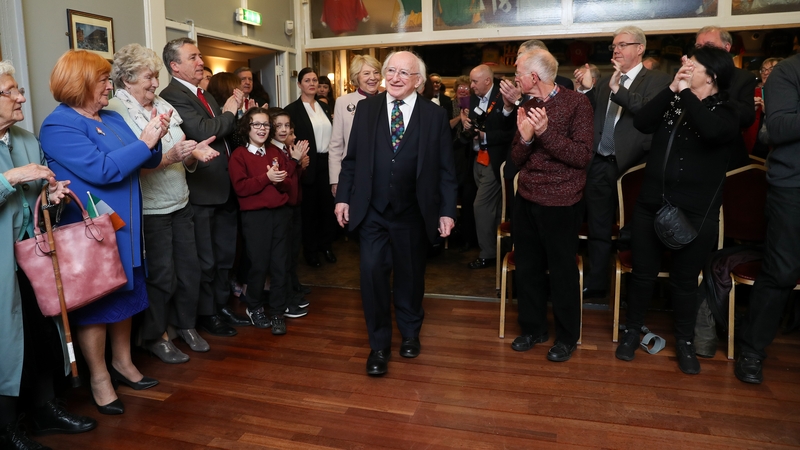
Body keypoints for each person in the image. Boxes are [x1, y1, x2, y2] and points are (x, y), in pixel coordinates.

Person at [39, 50, 168, 414]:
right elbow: (104, 171)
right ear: (80, 83)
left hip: (126, 229)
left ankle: (123, 363)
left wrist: (155, 134)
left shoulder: (111, 116)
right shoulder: (58, 125)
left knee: (126, 297)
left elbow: (151, 159)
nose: (110, 86)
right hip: (91, 234)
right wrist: (143, 143)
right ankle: (99, 377)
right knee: (98, 306)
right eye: (103, 80)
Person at [616, 46, 739, 375]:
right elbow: (642, 122)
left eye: (692, 64)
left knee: (685, 281)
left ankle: (684, 343)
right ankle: (631, 332)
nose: (685, 67)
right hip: (651, 204)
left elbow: (711, 131)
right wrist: (672, 89)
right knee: (642, 274)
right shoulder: (674, 97)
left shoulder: (728, 110)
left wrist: (685, 93)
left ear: (711, 76)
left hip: (696, 213)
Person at [334, 51, 458, 376]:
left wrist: (446, 211)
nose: (396, 77)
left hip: (413, 212)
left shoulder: (434, 116)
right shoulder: (367, 108)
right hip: (372, 212)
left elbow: (446, 170)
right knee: (372, 274)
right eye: (392, 70)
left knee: (410, 276)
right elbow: (352, 160)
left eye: (405, 73)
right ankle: (378, 346)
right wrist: (343, 199)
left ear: (418, 80)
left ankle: (411, 333)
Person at [0, 59, 97, 449]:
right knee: (6, 343)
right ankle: (7, 428)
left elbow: (36, 201)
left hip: (31, 257)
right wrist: (12, 177)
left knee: (41, 332)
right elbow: (16, 183)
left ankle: (45, 409)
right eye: (10, 92)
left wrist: (50, 198)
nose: (21, 96)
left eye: (17, 89)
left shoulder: (23, 139)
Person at [106, 43, 219, 363]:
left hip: (180, 200)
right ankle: (156, 335)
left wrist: (195, 152)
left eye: (156, 76)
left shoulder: (162, 102)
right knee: (162, 275)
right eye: (148, 77)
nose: (155, 83)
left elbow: (180, 143)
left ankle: (185, 324)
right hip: (151, 208)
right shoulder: (117, 111)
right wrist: (169, 157)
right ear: (127, 79)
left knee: (190, 269)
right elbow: (131, 162)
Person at [159, 38, 251, 337]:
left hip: (222, 187)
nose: (201, 62)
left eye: (200, 56)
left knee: (225, 255)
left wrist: (231, 115)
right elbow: (204, 131)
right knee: (206, 258)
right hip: (201, 190)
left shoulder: (204, 95)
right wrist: (230, 110)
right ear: (175, 65)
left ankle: (221, 306)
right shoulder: (172, 95)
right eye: (193, 57)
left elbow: (224, 132)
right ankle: (206, 313)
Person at [573, 26, 672, 300]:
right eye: (613, 46)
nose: (616, 50)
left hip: (635, 166)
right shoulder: (606, 81)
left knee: (635, 229)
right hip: (601, 162)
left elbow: (651, 112)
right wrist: (585, 92)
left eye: (622, 45)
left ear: (639, 48)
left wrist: (620, 90)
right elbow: (593, 118)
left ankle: (636, 288)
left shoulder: (658, 80)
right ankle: (597, 283)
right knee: (599, 226)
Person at [509, 49, 594, 363]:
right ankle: (533, 329)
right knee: (528, 268)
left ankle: (567, 337)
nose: (514, 78)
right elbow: (516, 159)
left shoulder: (577, 103)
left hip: (562, 202)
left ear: (533, 77)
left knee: (561, 272)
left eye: (518, 72)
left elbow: (581, 156)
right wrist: (528, 139)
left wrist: (544, 133)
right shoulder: (526, 105)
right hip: (527, 198)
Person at [736, 54, 800, 384]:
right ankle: (751, 348)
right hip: (793, 187)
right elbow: (779, 127)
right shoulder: (788, 72)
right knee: (781, 271)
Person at [229, 107, 308, 332]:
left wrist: (281, 175)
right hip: (255, 217)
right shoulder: (239, 155)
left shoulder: (274, 152)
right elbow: (241, 188)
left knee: (280, 265)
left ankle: (277, 311)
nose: (262, 129)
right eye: (257, 125)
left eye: (265, 125)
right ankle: (254, 307)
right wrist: (267, 178)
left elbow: (288, 184)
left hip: (280, 214)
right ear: (248, 128)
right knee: (259, 264)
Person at [462, 64, 516, 270]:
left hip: (495, 162)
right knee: (492, 209)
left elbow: (511, 133)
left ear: (487, 81)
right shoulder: (475, 98)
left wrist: (488, 136)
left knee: (481, 206)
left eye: (475, 81)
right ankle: (500, 250)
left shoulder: (503, 97)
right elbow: (478, 122)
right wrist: (469, 124)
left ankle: (488, 254)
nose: (471, 86)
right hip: (477, 159)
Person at [284, 68, 337, 268]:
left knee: (327, 208)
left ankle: (326, 246)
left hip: (328, 163)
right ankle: (311, 251)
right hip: (307, 164)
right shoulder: (292, 109)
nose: (312, 83)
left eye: (315, 80)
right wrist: (297, 160)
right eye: (307, 80)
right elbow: (288, 138)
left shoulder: (324, 107)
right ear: (299, 84)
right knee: (309, 211)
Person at [695, 26, 757, 168]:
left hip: (726, 157)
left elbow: (747, 117)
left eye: (709, 45)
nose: (703, 51)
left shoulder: (743, 78)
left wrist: (715, 93)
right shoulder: (686, 76)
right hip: (690, 156)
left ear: (726, 47)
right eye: (699, 46)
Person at [329, 54, 382, 196]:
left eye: (376, 72)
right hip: (353, 173)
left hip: (383, 174)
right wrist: (335, 179)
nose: (373, 77)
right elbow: (336, 145)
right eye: (366, 73)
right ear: (356, 77)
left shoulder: (389, 99)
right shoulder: (343, 102)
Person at [747, 57, 783, 158]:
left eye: (771, 69)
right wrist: (750, 111)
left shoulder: (787, 95)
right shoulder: (752, 93)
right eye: (763, 69)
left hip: (774, 151)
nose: (766, 72)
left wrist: (769, 112)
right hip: (751, 149)